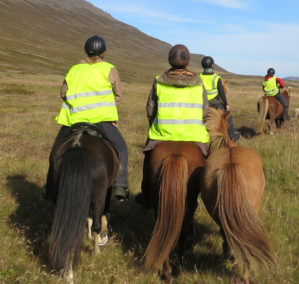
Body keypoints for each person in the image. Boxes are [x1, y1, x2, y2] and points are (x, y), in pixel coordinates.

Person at [42, 35, 130, 202]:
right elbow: (118, 94)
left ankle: (50, 189)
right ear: (103, 52)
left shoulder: (74, 69)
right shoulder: (109, 69)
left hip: (74, 120)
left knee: (55, 151)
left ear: (86, 50)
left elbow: (63, 93)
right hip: (101, 121)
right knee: (121, 148)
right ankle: (120, 185)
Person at [135, 44, 210, 208]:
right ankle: (209, 193)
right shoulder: (198, 82)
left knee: (148, 159)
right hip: (194, 135)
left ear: (170, 59)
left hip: (162, 134)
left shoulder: (158, 81)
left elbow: (150, 109)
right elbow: (205, 110)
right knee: (209, 160)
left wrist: (153, 125)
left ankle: (147, 193)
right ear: (188, 60)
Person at [200, 56, 240, 142]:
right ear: (212, 66)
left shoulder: (199, 77)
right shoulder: (216, 77)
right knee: (228, 115)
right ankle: (232, 134)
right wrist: (226, 105)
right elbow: (221, 92)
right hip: (214, 102)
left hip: (202, 102)